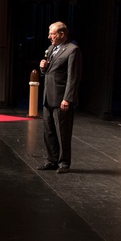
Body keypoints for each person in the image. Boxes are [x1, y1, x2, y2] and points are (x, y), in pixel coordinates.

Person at [38, 21, 82, 174]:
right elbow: (49, 72)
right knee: (48, 131)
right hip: (48, 96)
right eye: (50, 33)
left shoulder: (72, 50)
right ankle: (52, 160)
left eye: (53, 34)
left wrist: (67, 98)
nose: (50, 36)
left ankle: (64, 162)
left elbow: (73, 77)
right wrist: (43, 68)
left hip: (61, 98)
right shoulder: (51, 49)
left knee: (62, 132)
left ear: (62, 34)